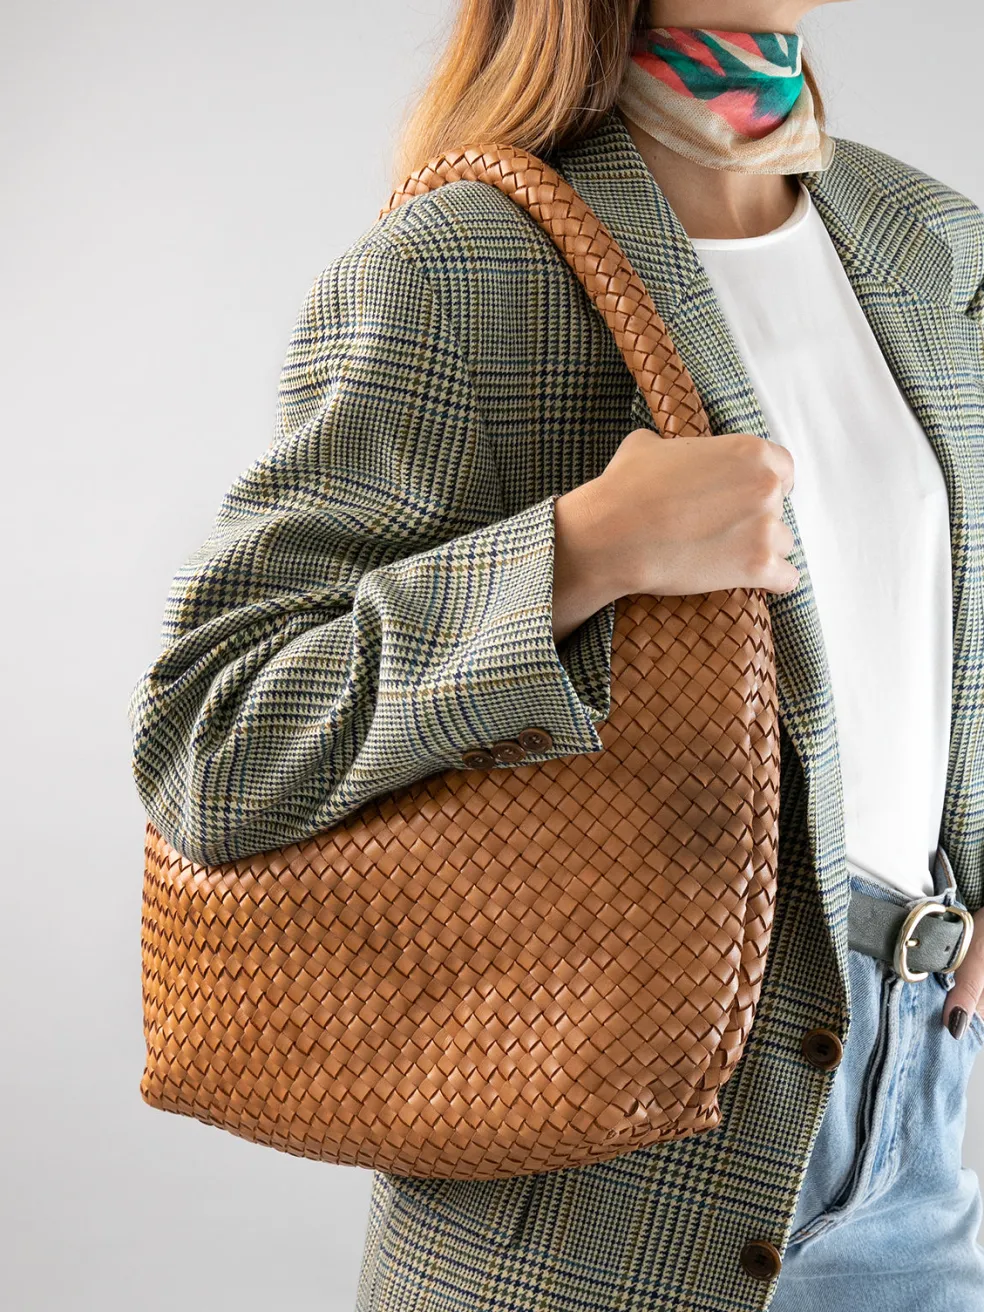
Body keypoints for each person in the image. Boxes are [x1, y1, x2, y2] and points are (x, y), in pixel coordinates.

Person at [127, 0, 984, 1307]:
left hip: (917, 1133)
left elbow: (932, 624)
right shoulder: (464, 264)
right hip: (591, 1168)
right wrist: (578, 554)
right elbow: (212, 744)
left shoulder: (933, 244)